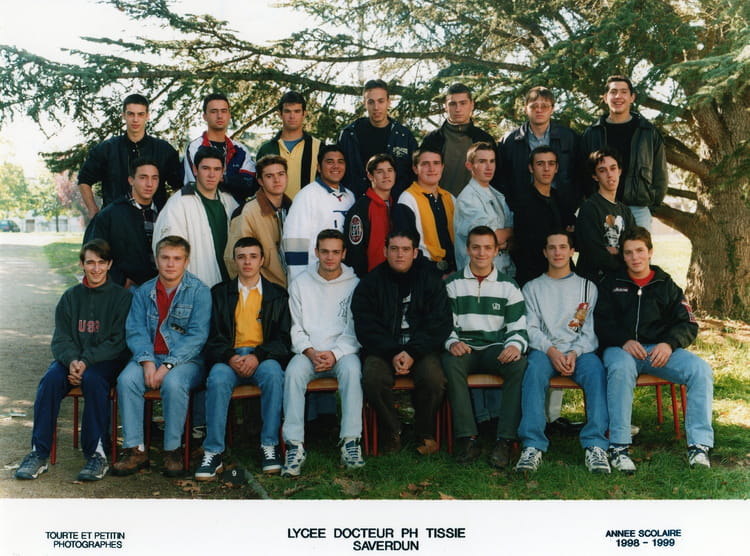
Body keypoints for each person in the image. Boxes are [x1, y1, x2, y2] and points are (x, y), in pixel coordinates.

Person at [596, 226, 714, 472]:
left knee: (700, 370)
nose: (635, 257)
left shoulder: (665, 284)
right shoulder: (611, 283)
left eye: (640, 251)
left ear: (650, 251)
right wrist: (623, 340)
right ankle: (619, 446)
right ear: (622, 255)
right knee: (620, 368)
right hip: (621, 350)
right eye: (629, 252)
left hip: (658, 352)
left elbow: (688, 322)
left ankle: (699, 446)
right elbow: (600, 322)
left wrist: (669, 344)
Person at [15, 240, 131, 482]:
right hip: (73, 361)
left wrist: (86, 362)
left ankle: (97, 454)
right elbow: (60, 339)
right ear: (82, 264)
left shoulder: (122, 298)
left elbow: (118, 341)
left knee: (94, 380)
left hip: (105, 361)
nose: (96, 268)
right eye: (90, 262)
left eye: (101, 263)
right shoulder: (70, 297)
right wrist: (73, 361)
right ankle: (39, 452)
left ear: (109, 264)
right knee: (49, 380)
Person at [112, 236, 211, 477]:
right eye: (165, 258)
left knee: (174, 383)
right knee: (126, 380)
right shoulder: (144, 292)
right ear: (156, 260)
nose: (170, 264)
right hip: (148, 356)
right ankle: (135, 449)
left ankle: (172, 449)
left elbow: (197, 336)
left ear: (186, 261)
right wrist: (147, 362)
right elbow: (135, 330)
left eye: (177, 258)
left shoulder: (199, 291)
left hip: (186, 360)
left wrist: (167, 365)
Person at [515, 230, 610, 474]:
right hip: (545, 350)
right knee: (533, 371)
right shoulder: (532, 288)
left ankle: (595, 445)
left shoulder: (587, 288)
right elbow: (531, 329)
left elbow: (589, 331)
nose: (557, 252)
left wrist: (574, 353)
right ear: (545, 252)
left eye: (563, 247)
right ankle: (532, 444)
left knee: (596, 372)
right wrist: (552, 352)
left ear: (572, 251)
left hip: (579, 352)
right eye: (552, 247)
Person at [196, 237, 290, 480]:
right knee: (217, 379)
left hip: (263, 357)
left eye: (253, 256)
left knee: (274, 375)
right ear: (234, 261)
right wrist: (230, 356)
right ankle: (213, 451)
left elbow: (283, 339)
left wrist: (258, 356)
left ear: (262, 260)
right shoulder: (219, 294)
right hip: (230, 358)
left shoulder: (277, 295)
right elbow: (211, 337)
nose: (247, 262)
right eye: (241, 257)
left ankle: (269, 445)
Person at [351, 229, 452, 455]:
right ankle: (392, 430)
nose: (399, 254)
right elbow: (366, 326)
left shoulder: (430, 280)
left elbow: (439, 322)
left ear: (415, 253)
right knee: (372, 379)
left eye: (405, 249)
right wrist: (393, 352)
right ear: (385, 251)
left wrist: (413, 352)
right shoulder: (371, 283)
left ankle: (424, 432)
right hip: (384, 349)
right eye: (394, 249)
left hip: (421, 349)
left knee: (434, 379)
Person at [441, 226, 527, 468]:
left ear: (496, 251)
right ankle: (468, 438)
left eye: (487, 247)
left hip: (495, 348)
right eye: (476, 247)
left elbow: (518, 328)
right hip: (465, 348)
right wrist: (452, 341)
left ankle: (504, 440)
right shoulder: (453, 284)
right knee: (450, 363)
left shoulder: (509, 286)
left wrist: (514, 346)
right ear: (468, 249)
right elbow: (444, 324)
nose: (481, 253)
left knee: (519, 364)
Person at [282, 229, 363, 476]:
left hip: (342, 353)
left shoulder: (355, 284)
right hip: (309, 353)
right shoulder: (300, 283)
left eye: (335, 252)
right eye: (325, 251)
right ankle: (294, 445)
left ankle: (350, 441)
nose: (330, 257)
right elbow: (295, 327)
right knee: (293, 373)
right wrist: (310, 352)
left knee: (353, 371)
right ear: (316, 252)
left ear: (344, 254)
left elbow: (355, 329)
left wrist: (335, 354)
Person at [581, 75, 668, 230]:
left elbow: (660, 174)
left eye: (623, 92)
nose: (618, 96)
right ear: (605, 98)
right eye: (613, 92)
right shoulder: (593, 133)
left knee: (638, 247)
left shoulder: (648, 132)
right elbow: (583, 173)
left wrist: (651, 206)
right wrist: (593, 202)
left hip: (638, 209)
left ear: (632, 97)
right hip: (602, 207)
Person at [78, 94, 181, 217]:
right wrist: (94, 212)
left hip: (153, 221)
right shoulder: (106, 149)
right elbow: (84, 179)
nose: (135, 119)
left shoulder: (163, 150)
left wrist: (171, 214)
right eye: (131, 114)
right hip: (115, 220)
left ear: (147, 116)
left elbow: (179, 185)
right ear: (124, 115)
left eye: (140, 114)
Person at [154, 146, 239, 287]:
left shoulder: (230, 202)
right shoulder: (178, 204)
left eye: (217, 169)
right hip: (195, 287)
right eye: (205, 168)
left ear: (222, 172)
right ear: (195, 169)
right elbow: (167, 252)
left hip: (229, 288)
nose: (211, 175)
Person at [496, 86, 582, 216]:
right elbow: (502, 178)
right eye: (534, 106)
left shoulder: (569, 137)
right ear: (525, 109)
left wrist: (572, 207)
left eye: (545, 106)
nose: (539, 110)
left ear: (552, 109)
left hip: (561, 209)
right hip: (523, 209)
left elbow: (579, 175)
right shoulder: (510, 141)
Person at [283, 144, 355, 281]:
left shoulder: (350, 197)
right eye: (329, 162)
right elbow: (295, 240)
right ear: (319, 167)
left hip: (343, 275)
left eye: (340, 162)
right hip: (313, 275)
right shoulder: (307, 196)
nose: (336, 166)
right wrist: (299, 280)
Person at [338, 79, 418, 198]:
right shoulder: (349, 134)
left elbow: (415, 174)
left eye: (381, 101)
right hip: (357, 202)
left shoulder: (404, 136)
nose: (376, 107)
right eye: (371, 102)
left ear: (388, 102)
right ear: (364, 103)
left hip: (395, 203)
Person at [90, 157, 160, 288]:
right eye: (143, 177)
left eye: (154, 178)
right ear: (131, 180)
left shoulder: (164, 212)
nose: (149, 184)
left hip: (159, 288)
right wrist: (120, 280)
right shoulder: (110, 214)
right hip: (126, 289)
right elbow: (94, 254)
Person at [511, 146, 576, 286]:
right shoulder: (522, 201)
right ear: (531, 168)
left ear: (556, 168)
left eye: (551, 164)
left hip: (562, 272)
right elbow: (524, 242)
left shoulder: (560, 198)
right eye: (540, 164)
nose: (546, 169)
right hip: (533, 276)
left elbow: (572, 232)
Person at [343, 153, 415, 277]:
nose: (386, 175)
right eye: (380, 172)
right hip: (372, 279)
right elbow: (355, 252)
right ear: (370, 176)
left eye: (390, 170)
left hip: (396, 276)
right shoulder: (361, 208)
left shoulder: (397, 205)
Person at [225, 155, 292, 288]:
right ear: (260, 181)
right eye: (269, 176)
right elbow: (232, 259)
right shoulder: (248, 212)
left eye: (281, 174)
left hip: (293, 288)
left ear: (286, 176)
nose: (277, 180)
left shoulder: (293, 209)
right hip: (265, 292)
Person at [420, 82, 495, 196]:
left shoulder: (484, 139)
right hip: (439, 203)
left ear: (472, 105)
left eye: (463, 103)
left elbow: (496, 179)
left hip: (477, 204)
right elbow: (421, 178)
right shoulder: (432, 140)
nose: (458, 109)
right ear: (446, 106)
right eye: (452, 104)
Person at [183, 92, 257, 206]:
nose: (219, 116)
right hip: (204, 210)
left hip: (237, 213)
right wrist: (233, 181)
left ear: (229, 115)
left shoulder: (241, 150)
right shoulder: (194, 147)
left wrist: (222, 180)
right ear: (205, 116)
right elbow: (198, 185)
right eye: (214, 111)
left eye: (223, 111)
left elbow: (250, 186)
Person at [454, 142, 515, 276]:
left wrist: (504, 239)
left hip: (502, 271)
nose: (489, 167)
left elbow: (509, 240)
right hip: (477, 276)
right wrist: (510, 232)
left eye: (492, 161)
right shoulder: (468, 198)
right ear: (469, 165)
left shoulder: (496, 194)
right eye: (482, 161)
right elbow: (490, 238)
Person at [575, 148, 636, 282]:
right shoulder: (589, 208)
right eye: (602, 170)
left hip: (621, 280)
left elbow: (635, 247)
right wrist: (623, 255)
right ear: (595, 176)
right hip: (594, 282)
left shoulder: (626, 211)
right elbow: (595, 253)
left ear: (619, 171)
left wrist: (617, 251)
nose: (609, 174)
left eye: (613, 168)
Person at [397, 149, 456, 276]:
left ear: (442, 167)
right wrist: (437, 275)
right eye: (425, 164)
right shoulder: (407, 199)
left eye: (436, 163)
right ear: (415, 169)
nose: (431, 169)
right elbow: (405, 246)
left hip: (454, 271)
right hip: (424, 273)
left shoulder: (450, 198)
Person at [256, 91, 321, 199]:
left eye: (297, 111)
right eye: (287, 111)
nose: (292, 116)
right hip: (274, 209)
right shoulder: (267, 149)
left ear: (304, 113)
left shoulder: (319, 148)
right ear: (280, 114)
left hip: (308, 208)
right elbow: (258, 187)